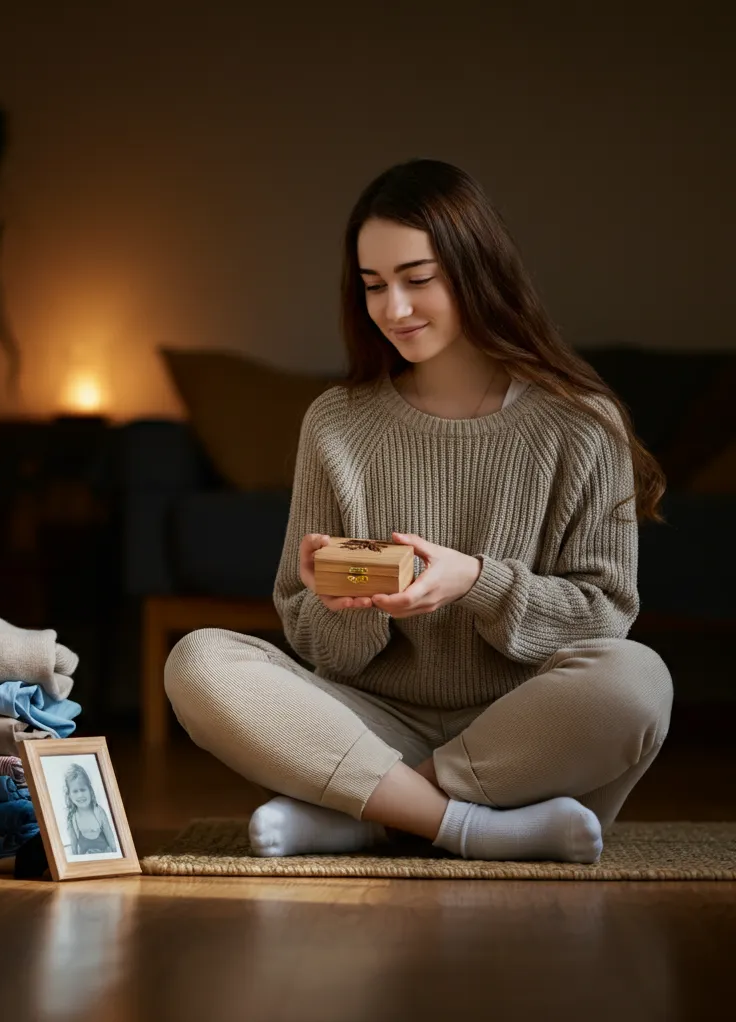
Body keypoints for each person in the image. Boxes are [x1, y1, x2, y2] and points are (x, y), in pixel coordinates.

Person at [164, 158, 673, 864]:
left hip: (518, 735)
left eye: (417, 279)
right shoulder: (338, 422)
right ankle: (469, 829)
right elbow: (309, 642)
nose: (393, 309)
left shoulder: (581, 424)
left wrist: (474, 581)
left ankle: (374, 817)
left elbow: (605, 613)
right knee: (198, 661)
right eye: (374, 286)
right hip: (372, 724)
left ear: (475, 269)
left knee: (639, 678)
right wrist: (344, 598)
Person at [63, 763, 118, 856]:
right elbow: (74, 845)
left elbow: (110, 837)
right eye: (75, 791)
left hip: (105, 857)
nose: (80, 795)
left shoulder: (98, 812)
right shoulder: (72, 817)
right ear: (69, 795)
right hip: (86, 862)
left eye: (83, 790)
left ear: (90, 790)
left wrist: (116, 855)